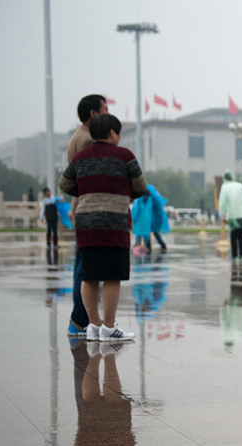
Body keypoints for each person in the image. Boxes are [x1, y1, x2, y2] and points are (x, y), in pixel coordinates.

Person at [59, 113, 147, 342]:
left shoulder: (80, 158)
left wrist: (88, 189)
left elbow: (65, 183)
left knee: (89, 276)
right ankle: (109, 327)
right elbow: (141, 185)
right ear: (112, 133)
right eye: (118, 132)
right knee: (112, 276)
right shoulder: (125, 156)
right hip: (114, 223)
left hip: (86, 222)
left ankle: (94, 326)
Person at [65, 94, 108, 338]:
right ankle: (80, 321)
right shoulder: (86, 140)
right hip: (88, 209)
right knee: (85, 270)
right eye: (105, 108)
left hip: (81, 207)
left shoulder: (80, 136)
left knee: (84, 268)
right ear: (93, 113)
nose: (108, 112)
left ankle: (83, 320)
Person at [218, 169, 242, 261]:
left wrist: (222, 215)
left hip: (232, 215)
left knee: (233, 236)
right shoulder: (241, 186)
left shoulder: (225, 187)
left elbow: (222, 203)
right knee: (240, 235)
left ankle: (234, 256)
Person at [131, 184, 170, 253]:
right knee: (147, 235)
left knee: (139, 235)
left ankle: (138, 249)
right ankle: (149, 248)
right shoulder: (151, 200)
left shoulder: (139, 201)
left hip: (140, 222)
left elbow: (135, 211)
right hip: (148, 221)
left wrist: (133, 219)